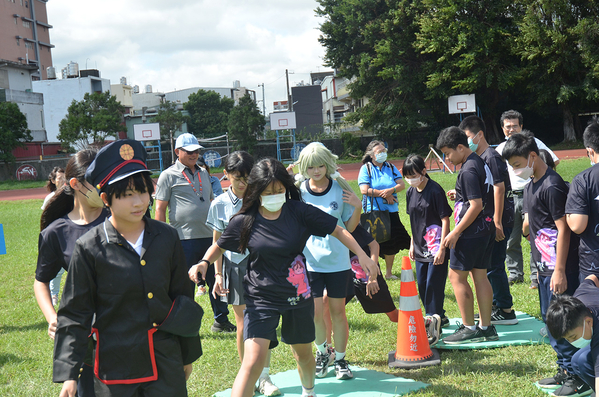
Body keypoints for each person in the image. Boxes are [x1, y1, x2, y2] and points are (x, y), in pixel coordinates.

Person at [188, 158, 379, 397]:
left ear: (287, 189)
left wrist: (362, 255)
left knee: (303, 355)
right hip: (260, 297)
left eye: (279, 190)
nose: (274, 196)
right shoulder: (245, 219)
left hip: (297, 294)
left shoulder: (299, 212)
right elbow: (220, 244)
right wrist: (204, 262)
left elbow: (338, 229)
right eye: (268, 192)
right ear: (256, 192)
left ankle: (308, 392)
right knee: (252, 361)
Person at [53, 139, 203, 397]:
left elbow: (182, 300)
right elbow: (75, 312)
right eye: (126, 195)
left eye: (143, 191)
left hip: (164, 361)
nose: (138, 202)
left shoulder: (167, 237)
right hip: (115, 367)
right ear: (105, 199)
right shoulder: (89, 247)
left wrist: (186, 356)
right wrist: (69, 373)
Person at [502, 133, 581, 395]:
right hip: (544, 267)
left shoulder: (552, 185)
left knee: (566, 321)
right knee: (552, 321)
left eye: (517, 164)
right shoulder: (531, 185)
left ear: (532, 157)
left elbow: (564, 230)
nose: (515, 170)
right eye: (511, 165)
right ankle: (564, 369)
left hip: (559, 268)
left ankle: (576, 374)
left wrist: (560, 270)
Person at [207, 151, 281, 396]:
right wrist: (217, 275)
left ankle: (264, 377)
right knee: (243, 324)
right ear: (226, 175)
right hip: (235, 266)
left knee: (264, 320)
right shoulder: (218, 205)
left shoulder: (261, 198)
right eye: (237, 177)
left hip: (263, 263)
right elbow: (217, 242)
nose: (243, 183)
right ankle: (248, 375)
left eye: (247, 177)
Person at [34, 150, 106, 397]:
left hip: (125, 327)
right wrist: (51, 317)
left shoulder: (119, 218)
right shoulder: (56, 232)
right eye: (97, 181)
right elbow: (41, 281)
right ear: (75, 184)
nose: (104, 187)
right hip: (82, 330)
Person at [294, 142, 362, 380]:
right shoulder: (298, 190)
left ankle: (341, 360)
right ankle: (324, 353)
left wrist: (358, 206)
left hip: (338, 262)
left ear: (328, 164)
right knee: (313, 312)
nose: (316, 171)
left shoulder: (339, 188)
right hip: (309, 263)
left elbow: (349, 228)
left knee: (337, 311)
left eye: (321, 165)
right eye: (311, 167)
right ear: (304, 167)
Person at [155, 133, 235, 333]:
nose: (194, 154)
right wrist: (161, 238)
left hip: (210, 236)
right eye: (189, 151)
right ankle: (184, 323)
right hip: (183, 239)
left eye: (196, 150)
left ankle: (221, 320)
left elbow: (209, 201)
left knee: (216, 278)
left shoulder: (203, 173)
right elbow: (159, 209)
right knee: (185, 284)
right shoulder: (168, 175)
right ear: (177, 152)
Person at [436, 126, 498, 344]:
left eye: (448, 153)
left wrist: (455, 232)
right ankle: (486, 327)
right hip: (484, 230)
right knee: (480, 275)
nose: (447, 158)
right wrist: (459, 195)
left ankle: (469, 328)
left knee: (456, 277)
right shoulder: (479, 162)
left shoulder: (469, 169)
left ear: (461, 147)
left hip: (471, 233)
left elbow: (476, 205)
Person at [460, 116, 518, 325]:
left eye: (467, 137)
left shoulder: (490, 156)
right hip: (490, 218)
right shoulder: (478, 157)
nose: (467, 142)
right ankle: (494, 305)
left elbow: (499, 188)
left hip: (499, 218)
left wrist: (498, 220)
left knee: (494, 264)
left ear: (479, 134)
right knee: (489, 265)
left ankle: (505, 309)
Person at [495, 110, 560, 288]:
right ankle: (515, 273)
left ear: (521, 126)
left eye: (515, 125)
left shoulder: (534, 143)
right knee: (512, 238)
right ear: (502, 128)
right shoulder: (501, 149)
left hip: (531, 194)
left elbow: (553, 160)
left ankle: (535, 275)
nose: (511, 129)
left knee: (534, 235)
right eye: (507, 126)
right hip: (510, 197)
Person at [402, 154, 452, 326]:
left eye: (414, 176)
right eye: (407, 177)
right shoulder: (410, 192)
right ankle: (439, 316)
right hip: (419, 246)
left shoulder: (435, 190)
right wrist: (412, 245)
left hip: (436, 246)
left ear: (424, 171)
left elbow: (445, 219)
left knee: (434, 284)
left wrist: (442, 248)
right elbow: (413, 220)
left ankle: (434, 317)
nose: (411, 180)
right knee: (422, 284)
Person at [358, 140, 411, 280]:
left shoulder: (390, 167)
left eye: (384, 151)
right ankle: (371, 271)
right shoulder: (366, 168)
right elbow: (364, 190)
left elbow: (401, 184)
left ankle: (388, 272)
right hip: (374, 212)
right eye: (379, 152)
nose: (382, 154)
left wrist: (390, 191)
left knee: (392, 241)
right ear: (372, 155)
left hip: (391, 211)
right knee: (372, 243)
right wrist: (384, 194)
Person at [547, 276, 599, 396]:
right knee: (578, 360)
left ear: (588, 322)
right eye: (567, 339)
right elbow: (592, 278)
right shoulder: (582, 294)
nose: (572, 342)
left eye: (574, 337)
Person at [566, 116, 599, 281]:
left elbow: (578, 225)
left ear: (590, 150)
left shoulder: (583, 180)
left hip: (594, 264)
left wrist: (568, 215)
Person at [41, 166, 67, 306]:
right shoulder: (50, 198)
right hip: (56, 239)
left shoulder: (72, 195)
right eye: (59, 178)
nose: (63, 180)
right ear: (53, 180)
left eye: (65, 177)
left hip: (69, 237)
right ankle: (54, 295)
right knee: (57, 271)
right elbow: (45, 219)